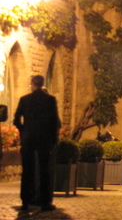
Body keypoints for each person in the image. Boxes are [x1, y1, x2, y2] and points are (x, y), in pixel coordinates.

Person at [13, 75, 61, 212]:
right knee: (44, 170)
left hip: (29, 139)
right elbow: (53, 122)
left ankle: (26, 201)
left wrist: (24, 130)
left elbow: (16, 120)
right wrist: (53, 139)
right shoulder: (50, 100)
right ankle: (45, 202)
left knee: (27, 170)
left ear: (33, 83)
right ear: (42, 83)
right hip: (44, 139)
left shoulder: (25, 100)